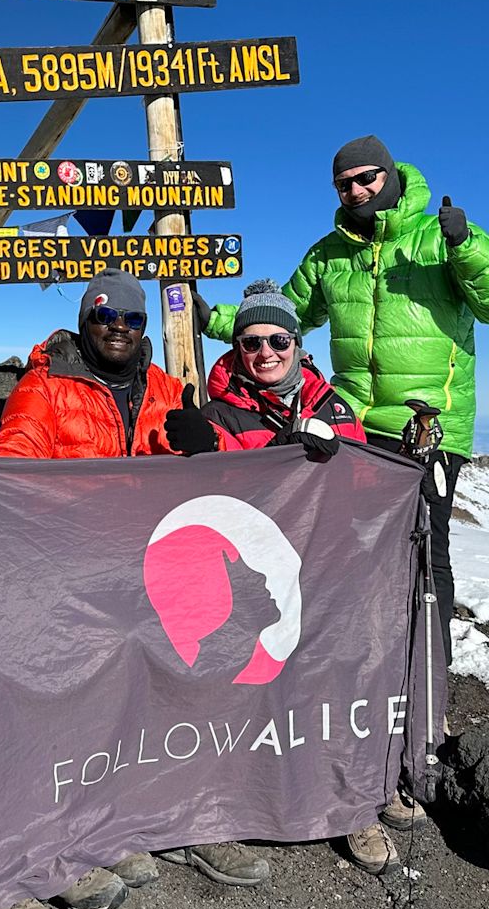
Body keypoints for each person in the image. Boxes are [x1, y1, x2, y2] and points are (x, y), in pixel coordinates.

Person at [0, 269, 268, 907]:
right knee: (86, 686)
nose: (119, 327)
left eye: (133, 318)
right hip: (72, 575)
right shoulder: (46, 388)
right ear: (86, 320)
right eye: (105, 315)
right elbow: (9, 469)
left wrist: (204, 445)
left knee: (198, 671)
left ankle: (189, 814)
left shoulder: (167, 387)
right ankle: (87, 829)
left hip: (154, 569)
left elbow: (219, 454)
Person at [199, 136, 489, 669]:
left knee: (429, 550)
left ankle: (430, 672)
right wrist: (213, 319)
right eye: (344, 183)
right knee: (351, 545)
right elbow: (285, 316)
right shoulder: (328, 253)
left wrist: (466, 246)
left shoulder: (436, 238)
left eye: (365, 178)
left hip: (428, 427)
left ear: (391, 176)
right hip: (350, 419)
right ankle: (363, 663)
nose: (355, 190)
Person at [166, 279, 403, 874]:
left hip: (327, 574)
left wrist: (336, 461)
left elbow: (367, 494)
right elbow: (201, 500)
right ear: (237, 348)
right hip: (251, 583)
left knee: (342, 682)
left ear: (298, 343)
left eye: (278, 339)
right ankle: (232, 803)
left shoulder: (334, 406)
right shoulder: (218, 410)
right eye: (251, 342)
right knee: (239, 684)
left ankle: (352, 806)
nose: (265, 352)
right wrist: (196, 453)